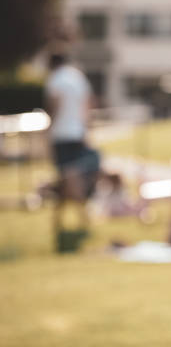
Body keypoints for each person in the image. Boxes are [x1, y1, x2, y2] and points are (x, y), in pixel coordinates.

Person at [45, 52, 97, 251]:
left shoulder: (56, 79)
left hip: (62, 136)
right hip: (78, 134)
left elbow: (55, 106)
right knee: (67, 181)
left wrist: (48, 132)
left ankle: (80, 221)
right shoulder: (77, 77)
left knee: (68, 181)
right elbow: (88, 105)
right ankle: (62, 223)